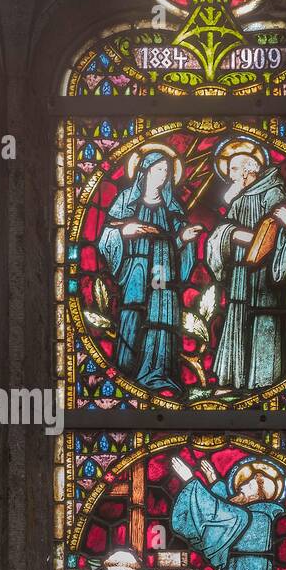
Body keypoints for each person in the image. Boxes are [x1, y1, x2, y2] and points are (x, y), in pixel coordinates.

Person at [206, 136, 286, 391]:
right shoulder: (239, 199)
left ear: (248, 170)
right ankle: (237, 379)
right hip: (241, 273)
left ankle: (265, 380)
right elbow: (222, 231)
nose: (230, 175)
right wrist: (231, 234)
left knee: (265, 318)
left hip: (266, 277)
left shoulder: (274, 191)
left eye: (234, 169)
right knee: (239, 314)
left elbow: (284, 229)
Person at [97, 145, 201, 392]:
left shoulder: (172, 206)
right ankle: (127, 372)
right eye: (159, 169)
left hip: (162, 271)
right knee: (133, 313)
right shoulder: (126, 200)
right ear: (145, 171)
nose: (163, 175)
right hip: (137, 268)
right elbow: (106, 237)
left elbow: (176, 245)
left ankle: (160, 373)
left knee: (162, 316)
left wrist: (183, 238)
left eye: (166, 171)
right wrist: (125, 230)